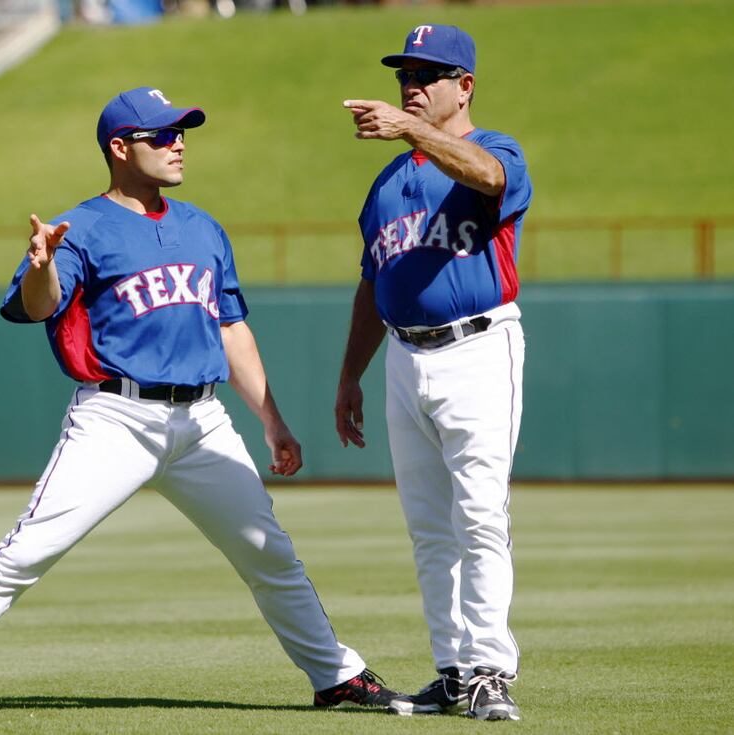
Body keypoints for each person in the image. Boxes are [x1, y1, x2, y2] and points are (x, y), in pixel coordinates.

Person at [0, 86, 404, 720]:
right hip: (116, 417)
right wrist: (43, 263)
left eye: (182, 131)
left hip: (204, 421)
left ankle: (335, 676)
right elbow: (36, 306)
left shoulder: (202, 227)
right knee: (29, 550)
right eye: (162, 135)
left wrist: (272, 421)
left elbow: (230, 327)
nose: (179, 142)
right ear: (120, 147)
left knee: (269, 553)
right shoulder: (82, 227)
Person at [335, 25, 532, 721]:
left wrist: (413, 133)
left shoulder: (497, 148)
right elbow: (372, 281)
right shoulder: (386, 184)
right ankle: (453, 669)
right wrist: (349, 375)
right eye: (404, 75)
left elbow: (491, 178)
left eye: (429, 74)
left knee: (480, 512)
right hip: (401, 354)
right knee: (428, 526)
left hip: (479, 346)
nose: (411, 86)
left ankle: (489, 668)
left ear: (465, 85)